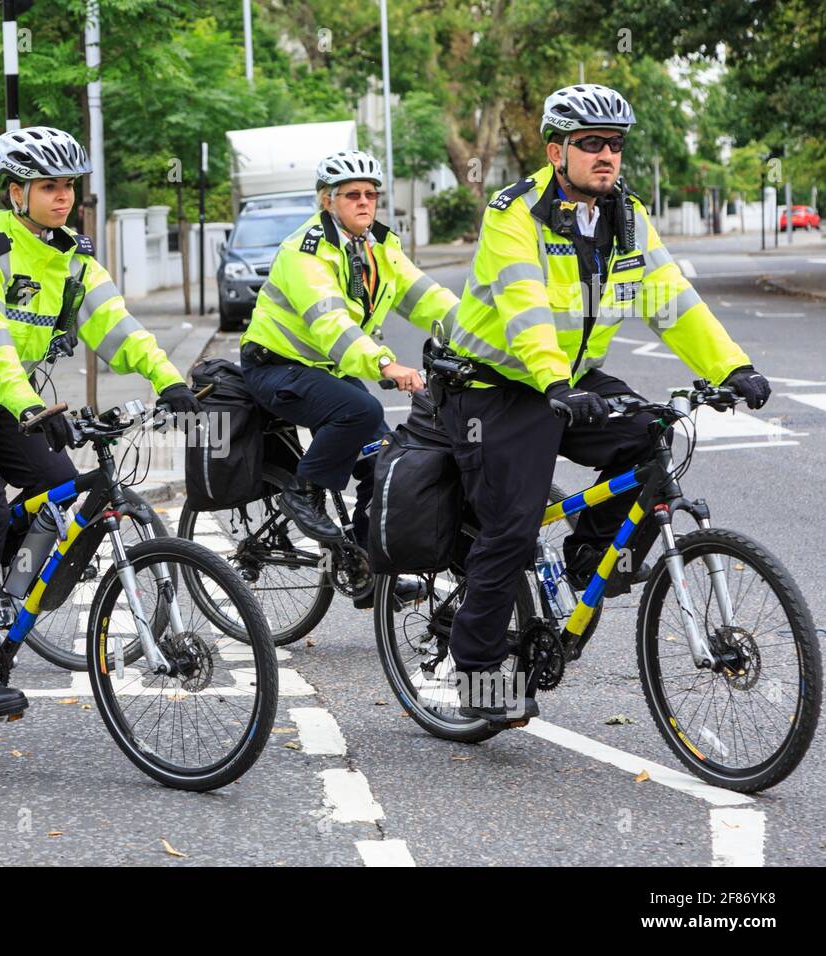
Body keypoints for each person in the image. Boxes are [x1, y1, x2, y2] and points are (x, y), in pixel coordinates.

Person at [440, 84, 771, 722]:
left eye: (614, 145)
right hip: (494, 384)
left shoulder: (626, 216)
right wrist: (555, 385)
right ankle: (477, 672)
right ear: (555, 149)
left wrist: (732, 366)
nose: (606, 156)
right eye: (590, 144)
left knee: (650, 439)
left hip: (570, 378)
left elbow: (671, 300)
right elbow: (527, 307)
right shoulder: (517, 213)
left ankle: (588, 551)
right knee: (511, 524)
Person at [0, 126, 200, 719]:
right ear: (15, 192)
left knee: (57, 494)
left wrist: (168, 379)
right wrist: (29, 404)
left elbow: (115, 325)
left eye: (69, 187)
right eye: (48, 187)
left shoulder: (72, 257)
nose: (62, 198)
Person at [238, 149, 459, 553]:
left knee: (386, 462)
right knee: (361, 410)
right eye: (351, 194)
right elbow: (331, 323)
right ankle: (303, 493)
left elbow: (427, 298)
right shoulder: (304, 252)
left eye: (371, 194)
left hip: (325, 371)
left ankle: (361, 564)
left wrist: (485, 337)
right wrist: (385, 364)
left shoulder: (379, 246)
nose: (363, 202)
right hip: (275, 367)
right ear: (328, 200)